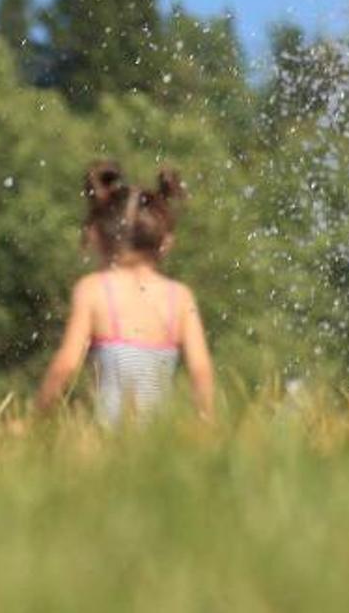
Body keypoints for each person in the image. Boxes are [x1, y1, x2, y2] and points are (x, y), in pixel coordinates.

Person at [34, 162, 216, 424]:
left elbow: (67, 364)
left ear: (96, 235)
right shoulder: (179, 297)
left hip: (106, 437)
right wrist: (207, 422)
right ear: (165, 243)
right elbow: (201, 371)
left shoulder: (93, 290)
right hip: (160, 439)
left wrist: (36, 418)